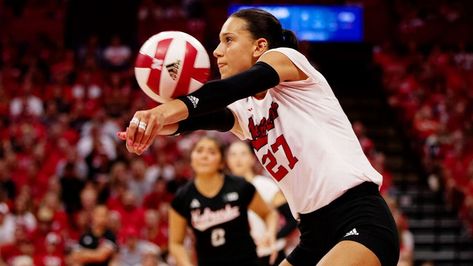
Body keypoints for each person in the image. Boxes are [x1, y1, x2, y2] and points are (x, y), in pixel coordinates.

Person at [119, 8, 400, 266]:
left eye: (228, 40)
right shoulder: (247, 109)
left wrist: (164, 112)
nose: (217, 51)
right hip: (313, 233)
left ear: (260, 46)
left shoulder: (289, 61)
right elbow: (199, 117)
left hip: (357, 217)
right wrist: (151, 123)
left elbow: (230, 89)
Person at [169, 136, 278, 266]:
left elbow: (269, 213)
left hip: (247, 261)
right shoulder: (182, 197)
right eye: (199, 151)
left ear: (221, 162)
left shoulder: (240, 186)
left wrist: (270, 233)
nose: (204, 156)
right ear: (192, 159)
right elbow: (176, 242)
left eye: (211, 152)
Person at [226, 140, 297, 265]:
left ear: (252, 158)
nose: (238, 159)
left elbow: (292, 219)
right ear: (226, 160)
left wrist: (274, 236)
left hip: (269, 255)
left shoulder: (265, 185)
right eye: (233, 154)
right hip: (238, 257)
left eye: (243, 153)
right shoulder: (223, 189)